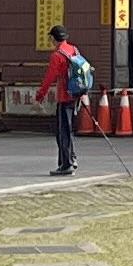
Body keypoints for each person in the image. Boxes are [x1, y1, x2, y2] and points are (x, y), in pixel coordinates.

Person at [35, 31, 91, 175]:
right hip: (75, 95)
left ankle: (67, 165)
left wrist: (40, 95)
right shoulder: (73, 49)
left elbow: (49, 77)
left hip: (64, 96)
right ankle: (72, 158)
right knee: (68, 129)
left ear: (53, 38)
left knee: (62, 132)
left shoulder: (57, 55)